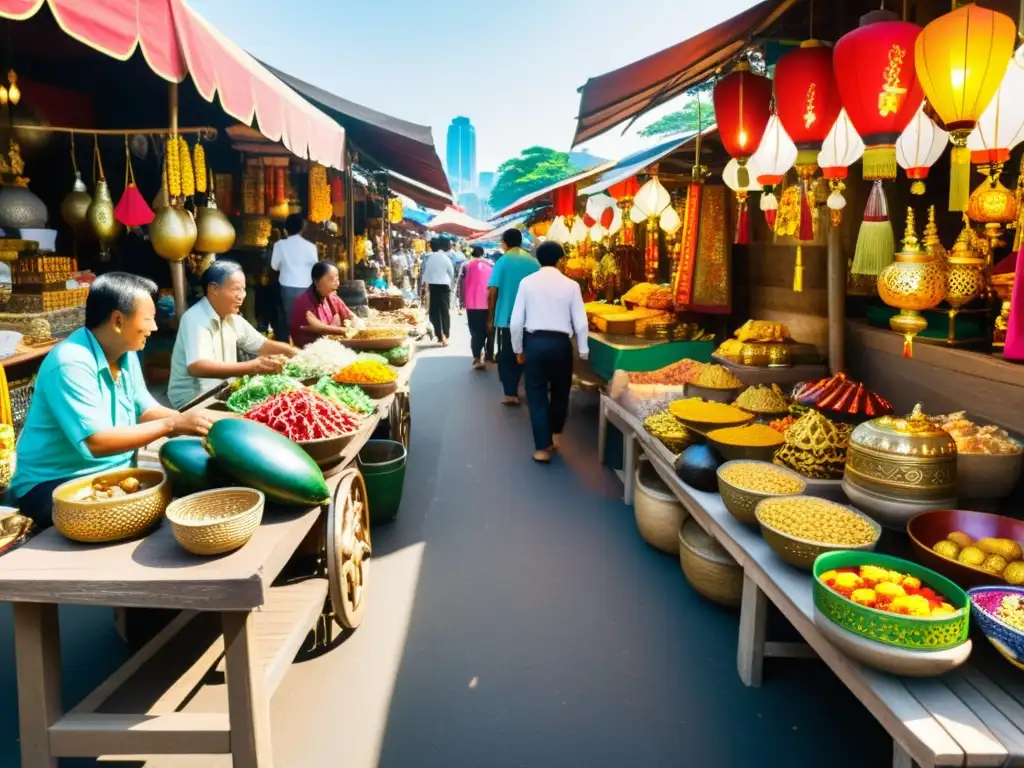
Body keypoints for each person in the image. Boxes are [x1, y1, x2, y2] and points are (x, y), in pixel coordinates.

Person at [6, 273, 214, 528]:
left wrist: (200, 423)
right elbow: (96, 442)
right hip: (54, 484)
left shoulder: (125, 353)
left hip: (112, 476)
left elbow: (145, 409)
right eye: (149, 319)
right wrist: (172, 425)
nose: (155, 328)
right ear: (117, 320)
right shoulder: (70, 362)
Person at [168, 261, 297, 409]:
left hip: (221, 393)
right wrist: (251, 367)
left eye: (243, 289)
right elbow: (197, 367)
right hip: (193, 400)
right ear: (214, 289)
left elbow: (262, 344)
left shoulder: (233, 318)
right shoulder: (195, 318)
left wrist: (295, 353)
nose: (242, 296)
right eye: (236, 289)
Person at [510, 241, 589, 464]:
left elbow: (517, 321)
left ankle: (542, 447)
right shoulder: (571, 285)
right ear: (561, 259)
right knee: (561, 390)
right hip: (561, 344)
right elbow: (580, 322)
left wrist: (518, 348)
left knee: (536, 393)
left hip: (534, 343)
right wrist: (583, 349)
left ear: (537, 259)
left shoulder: (527, 283)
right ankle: (553, 433)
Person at [488, 228, 539, 405]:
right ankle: (529, 388)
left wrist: (490, 319)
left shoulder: (502, 262)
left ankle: (510, 392)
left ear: (504, 243)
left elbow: (492, 291)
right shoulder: (534, 262)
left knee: (508, 354)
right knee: (527, 352)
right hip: (531, 317)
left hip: (508, 318)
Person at [270, 213, 318, 341]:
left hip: (287, 286)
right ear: (302, 227)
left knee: (290, 318)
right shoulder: (311, 247)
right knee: (305, 317)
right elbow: (315, 267)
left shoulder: (279, 245)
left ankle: (292, 342)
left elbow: (274, 266)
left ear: (286, 228)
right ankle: (304, 342)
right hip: (306, 287)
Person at [289, 260, 359, 348]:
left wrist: (355, 322)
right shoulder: (302, 302)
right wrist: (345, 330)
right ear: (316, 282)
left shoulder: (332, 298)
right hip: (308, 350)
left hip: (331, 346)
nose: (337, 284)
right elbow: (319, 328)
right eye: (331, 279)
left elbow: (350, 316)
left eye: (337, 279)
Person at [462, 246, 494, 369]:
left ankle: (476, 356)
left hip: (471, 304)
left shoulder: (466, 265)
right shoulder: (490, 266)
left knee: (475, 331)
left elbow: (461, 284)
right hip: (486, 304)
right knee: (485, 331)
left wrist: (461, 302)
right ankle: (482, 356)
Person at [422, 236, 455, 345]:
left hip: (434, 287)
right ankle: (445, 334)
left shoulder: (430, 258)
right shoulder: (445, 258)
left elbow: (426, 274)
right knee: (444, 311)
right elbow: (451, 273)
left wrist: (425, 288)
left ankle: (440, 335)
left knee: (434, 312)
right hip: (444, 287)